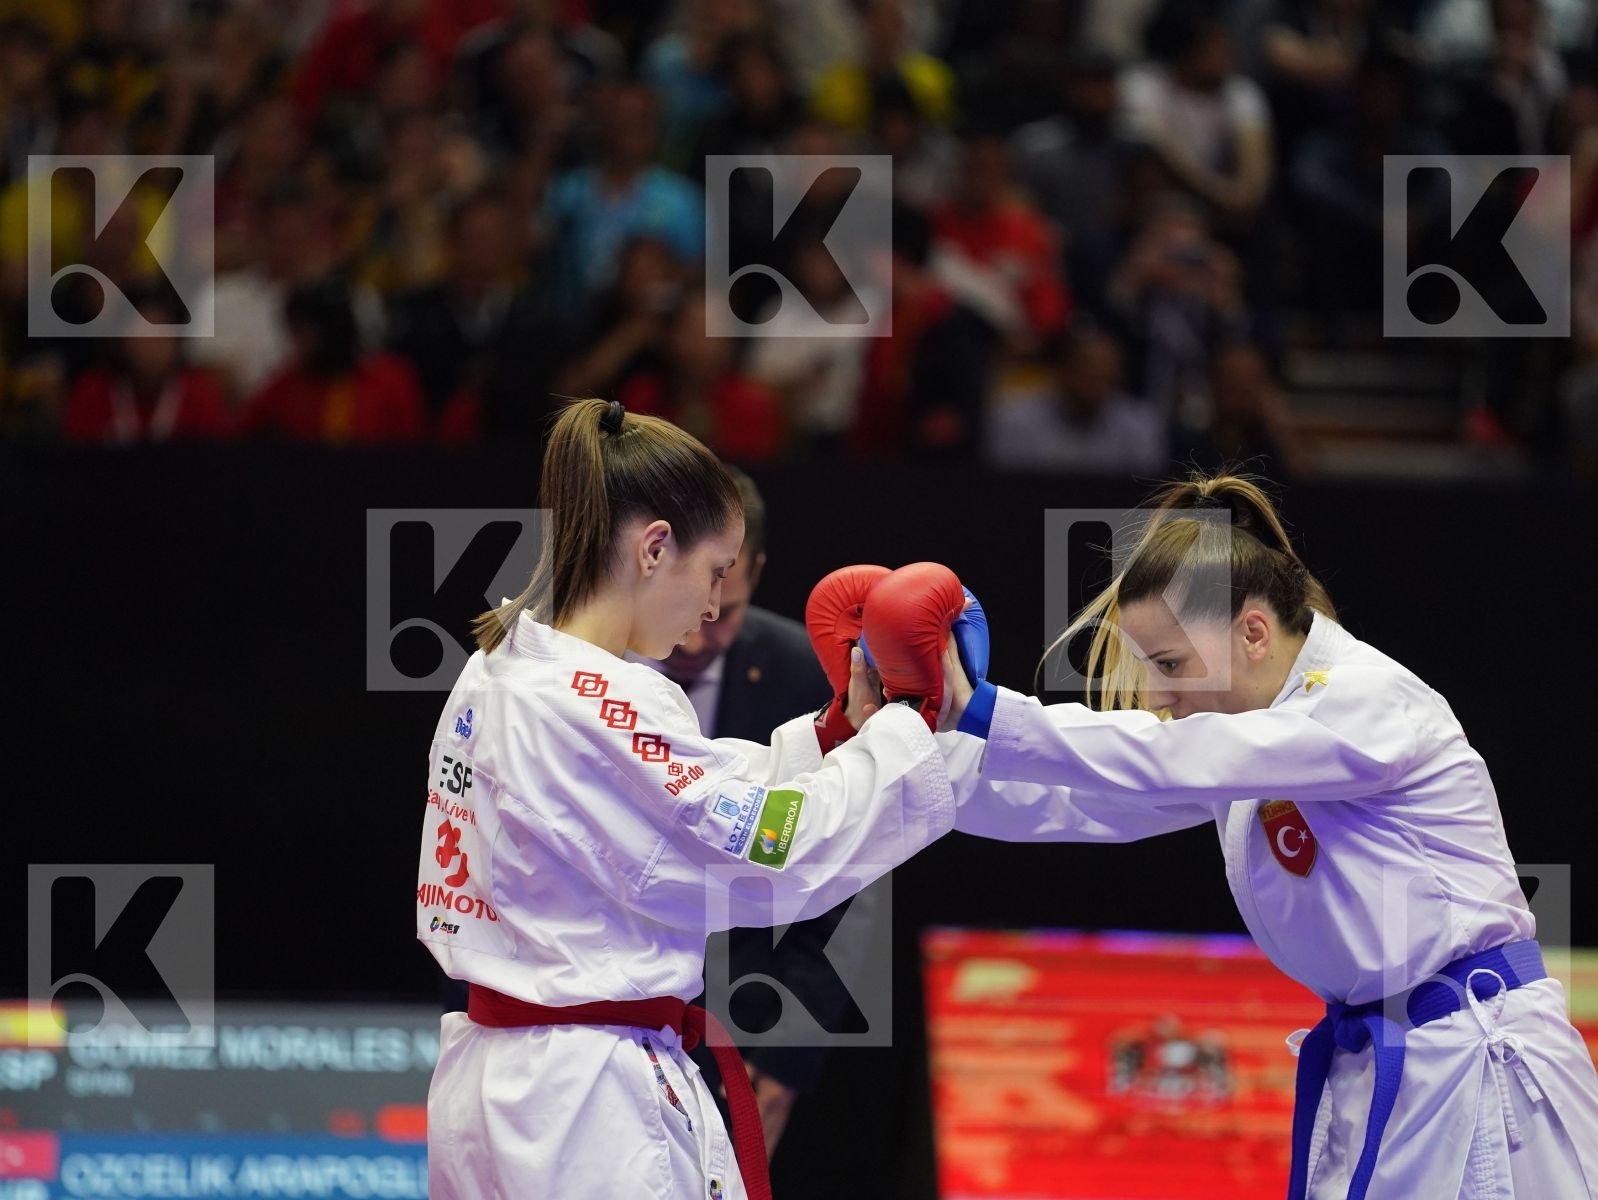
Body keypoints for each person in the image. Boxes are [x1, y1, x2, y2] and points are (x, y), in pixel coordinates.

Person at [942, 473, 1598, 1199]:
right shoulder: (1254, 741)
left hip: (1480, 1070)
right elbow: (1074, 801)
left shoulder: (1363, 699)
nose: (1159, 696)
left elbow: (1166, 758)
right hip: (1387, 1064)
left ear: (1253, 631)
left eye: (1169, 664)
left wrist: (986, 709)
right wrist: (917, 742)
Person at [419, 398, 972, 1199]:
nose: (714, 607)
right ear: (653, 549)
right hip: (584, 1105)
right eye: (714, 573)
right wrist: (902, 728)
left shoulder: (503, 663)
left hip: (500, 1083)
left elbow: (697, 792)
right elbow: (776, 856)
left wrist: (834, 738)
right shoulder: (602, 700)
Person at [634, 467, 873, 1157]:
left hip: (744, 1023)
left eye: (726, 608)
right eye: (697, 595)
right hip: (595, 1018)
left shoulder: (809, 672)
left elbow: (849, 871)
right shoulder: (573, 676)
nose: (701, 632)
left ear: (753, 569)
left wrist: (790, 1049)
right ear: (653, 558)